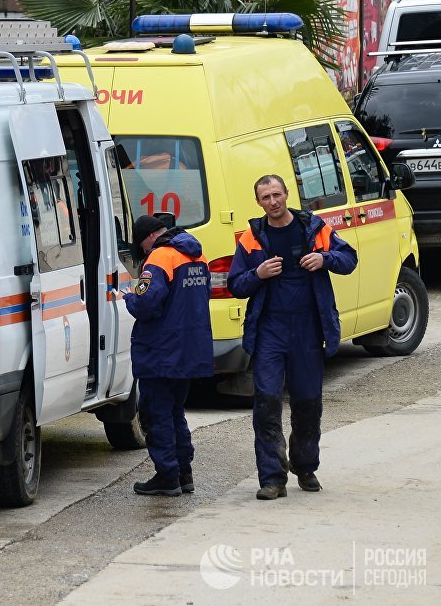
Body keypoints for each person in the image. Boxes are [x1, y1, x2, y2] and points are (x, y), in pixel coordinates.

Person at [227, 174, 357, 500]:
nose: (272, 201)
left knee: (308, 403)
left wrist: (324, 258)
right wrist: (257, 274)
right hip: (270, 331)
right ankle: (272, 478)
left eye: (276, 194)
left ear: (287, 194)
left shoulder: (313, 228)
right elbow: (235, 284)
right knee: (267, 402)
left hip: (308, 331)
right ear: (258, 202)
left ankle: (306, 466)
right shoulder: (251, 238)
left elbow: (350, 259)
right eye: (265, 197)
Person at [122, 215, 214, 497]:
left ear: (147, 238)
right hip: (189, 349)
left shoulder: (159, 258)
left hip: (161, 351)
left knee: (156, 413)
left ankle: (167, 476)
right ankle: (183, 472)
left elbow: (145, 302)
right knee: (176, 412)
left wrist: (128, 295)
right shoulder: (196, 253)